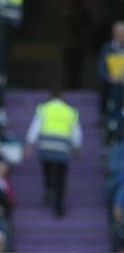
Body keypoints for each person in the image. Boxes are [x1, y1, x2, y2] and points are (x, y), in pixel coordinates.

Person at [25, 88, 82, 217]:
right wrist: (77, 148)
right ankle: (59, 205)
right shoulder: (70, 111)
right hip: (62, 148)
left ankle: (49, 187)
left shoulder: (44, 108)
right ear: (63, 97)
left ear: (50, 97)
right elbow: (76, 132)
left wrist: (29, 145)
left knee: (47, 171)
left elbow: (35, 127)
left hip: (46, 146)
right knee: (61, 176)